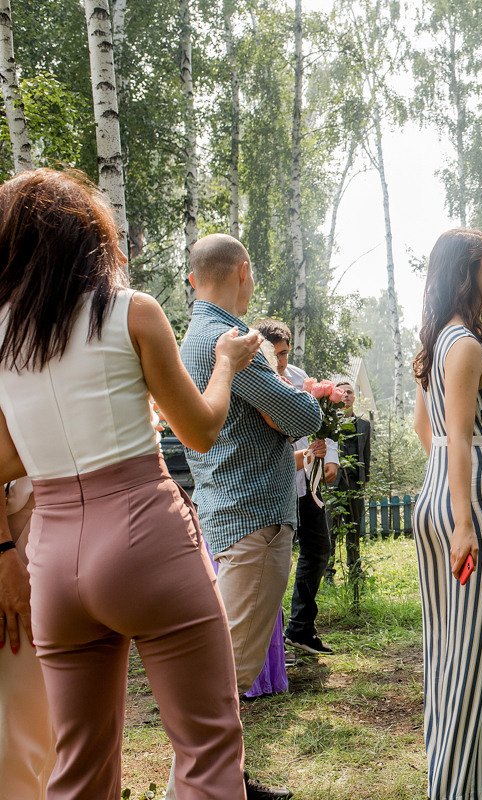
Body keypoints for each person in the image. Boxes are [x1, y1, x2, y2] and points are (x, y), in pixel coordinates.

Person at [0, 168, 261, 799]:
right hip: (145, 534)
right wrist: (226, 365)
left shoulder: (4, 338)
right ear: (89, 235)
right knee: (206, 749)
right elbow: (199, 430)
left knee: (79, 770)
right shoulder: (130, 313)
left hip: (54, 563)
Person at [180, 233, 323, 800]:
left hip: (223, 509)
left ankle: (231, 780)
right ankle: (204, 787)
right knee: (228, 675)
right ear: (244, 271)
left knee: (225, 666)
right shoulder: (232, 341)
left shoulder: (193, 335)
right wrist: (295, 402)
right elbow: (302, 413)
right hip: (253, 519)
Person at [411, 229, 482, 799]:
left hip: (449, 496)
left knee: (451, 648)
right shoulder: (465, 346)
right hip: (475, 505)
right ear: (467, 275)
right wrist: (465, 519)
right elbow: (454, 437)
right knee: (478, 650)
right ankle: (460, 788)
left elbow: (422, 429)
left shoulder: (440, 341)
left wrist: (447, 494)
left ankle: (471, 781)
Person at [252, 319, 339, 657]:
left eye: (285, 353)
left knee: (318, 549)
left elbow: (322, 421)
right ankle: (272, 644)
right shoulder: (257, 384)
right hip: (277, 485)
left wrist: (329, 455)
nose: (282, 362)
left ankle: (300, 628)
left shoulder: (301, 378)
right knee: (277, 561)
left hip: (309, 484)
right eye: (275, 355)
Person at [0, 478, 54, 798]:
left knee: (64, 735)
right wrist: (4, 551)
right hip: (18, 523)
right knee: (19, 735)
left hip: (70, 514)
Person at [328, 379, 371, 580]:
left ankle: (355, 569)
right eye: (342, 392)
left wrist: (365, 481)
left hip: (355, 485)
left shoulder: (364, 425)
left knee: (354, 528)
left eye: (349, 392)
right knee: (331, 530)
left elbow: (366, 454)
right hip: (333, 484)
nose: (346, 395)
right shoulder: (328, 423)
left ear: (354, 398)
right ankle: (328, 573)